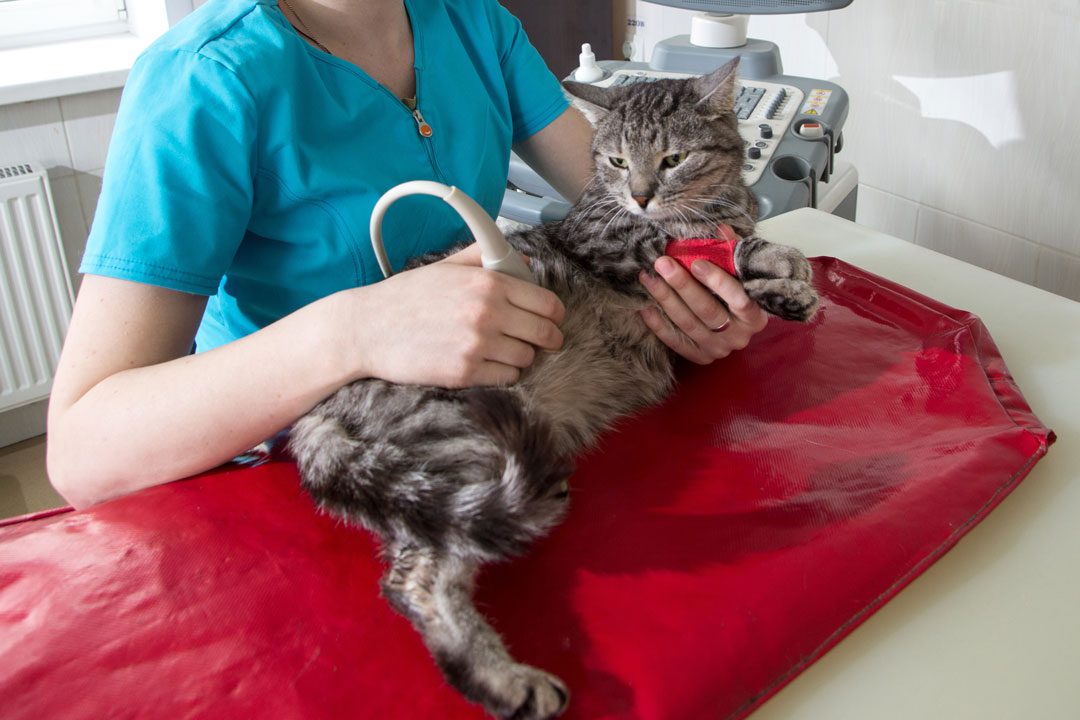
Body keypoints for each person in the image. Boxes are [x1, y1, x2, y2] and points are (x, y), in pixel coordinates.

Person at [46, 0, 768, 509]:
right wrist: (353, 332)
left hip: (476, 430)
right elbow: (84, 455)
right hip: (299, 469)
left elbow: (634, 209)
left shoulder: (475, 24)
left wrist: (709, 290)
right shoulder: (203, 80)